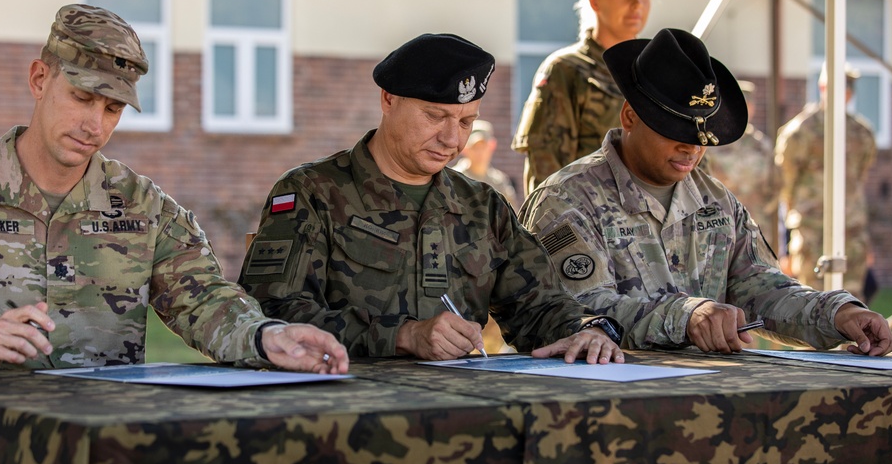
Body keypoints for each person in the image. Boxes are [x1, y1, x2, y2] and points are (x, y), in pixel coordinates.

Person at [0, 4, 348, 375]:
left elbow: (205, 300)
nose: (94, 124)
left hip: (103, 446)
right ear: (39, 80)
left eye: (113, 108)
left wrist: (267, 336)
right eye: (81, 97)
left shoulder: (143, 207)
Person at [239, 33, 624, 363]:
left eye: (465, 122)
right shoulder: (311, 193)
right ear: (388, 100)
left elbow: (538, 306)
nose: (452, 140)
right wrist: (403, 336)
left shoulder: (482, 206)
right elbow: (273, 314)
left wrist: (583, 330)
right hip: (346, 411)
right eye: (435, 117)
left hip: (457, 413)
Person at [519, 28, 892, 357]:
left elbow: (761, 289)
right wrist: (686, 317)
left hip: (704, 402)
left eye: (702, 136)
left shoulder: (716, 201)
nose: (692, 149)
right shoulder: (565, 201)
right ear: (630, 117)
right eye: (674, 131)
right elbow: (576, 309)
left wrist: (837, 313)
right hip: (612, 404)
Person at [512, 0, 653, 195]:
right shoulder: (566, 71)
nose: (637, 3)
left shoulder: (656, 75)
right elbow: (547, 182)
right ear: (595, 0)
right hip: (590, 226)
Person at [775, 63, 877, 300]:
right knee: (811, 305)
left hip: (851, 232)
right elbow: (785, 186)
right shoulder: (801, 132)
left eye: (849, 88)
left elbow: (858, 182)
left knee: (853, 306)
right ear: (823, 87)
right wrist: (786, 242)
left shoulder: (862, 133)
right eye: (840, 86)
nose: (846, 92)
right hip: (812, 233)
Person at [704, 80, 779, 241]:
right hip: (718, 227)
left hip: (755, 226)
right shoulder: (712, 143)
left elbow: (776, 185)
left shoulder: (762, 146)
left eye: (747, 104)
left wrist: (759, 209)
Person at [450, 119, 520, 209]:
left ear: (492, 146)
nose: (480, 153)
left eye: (483, 147)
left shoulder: (499, 182)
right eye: (475, 147)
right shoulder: (453, 179)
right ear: (465, 149)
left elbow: (511, 216)